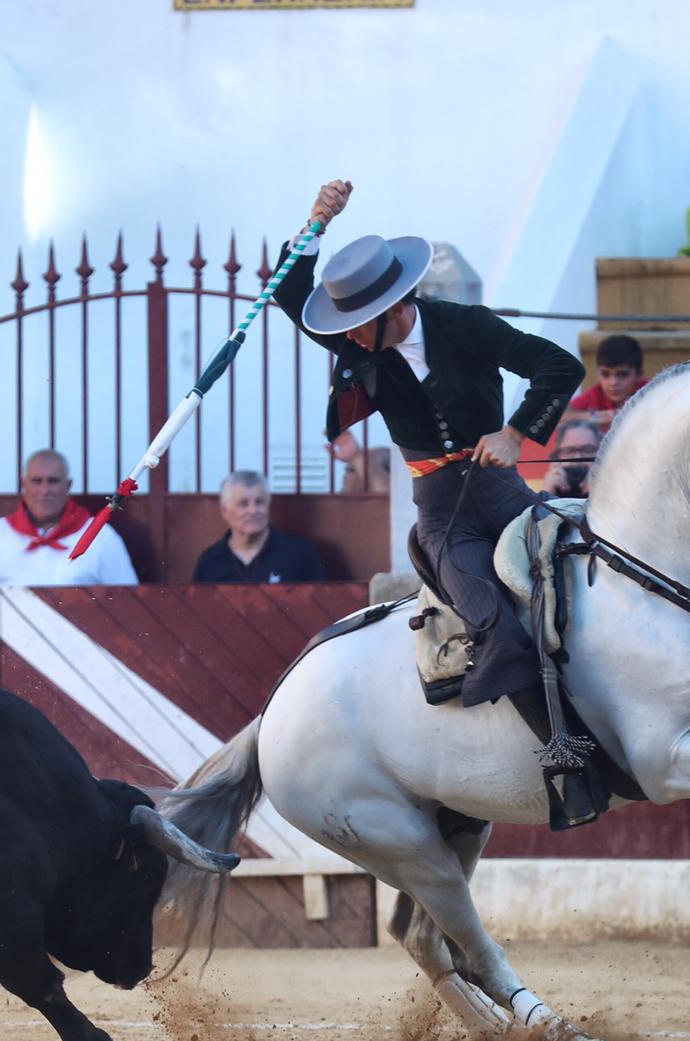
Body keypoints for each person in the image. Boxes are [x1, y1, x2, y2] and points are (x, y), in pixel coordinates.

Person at [273, 180, 583, 720]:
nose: (348, 337)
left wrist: (514, 433)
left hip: (505, 495)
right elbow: (288, 292)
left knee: (582, 585)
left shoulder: (466, 324)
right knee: (496, 630)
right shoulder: (356, 339)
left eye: (357, 325)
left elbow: (560, 366)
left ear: (394, 308)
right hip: (443, 517)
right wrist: (316, 221)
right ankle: (563, 748)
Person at [0, 448, 139, 587]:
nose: (44, 491)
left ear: (68, 485)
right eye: (36, 481)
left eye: (53, 481)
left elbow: (128, 600)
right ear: (23, 484)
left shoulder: (101, 535)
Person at [193, 469, 328, 584]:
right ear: (224, 511)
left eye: (259, 502)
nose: (253, 511)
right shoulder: (210, 561)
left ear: (268, 505)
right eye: (243, 503)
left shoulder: (300, 554)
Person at [563, 333, 646, 431]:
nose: (613, 382)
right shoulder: (596, 394)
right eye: (605, 374)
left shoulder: (650, 393)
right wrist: (601, 416)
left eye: (622, 374)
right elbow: (562, 416)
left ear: (639, 374)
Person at [542, 420, 601, 501]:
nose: (578, 458)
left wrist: (602, 491)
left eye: (587, 450)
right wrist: (547, 494)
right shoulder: (550, 489)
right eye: (569, 451)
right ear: (557, 458)